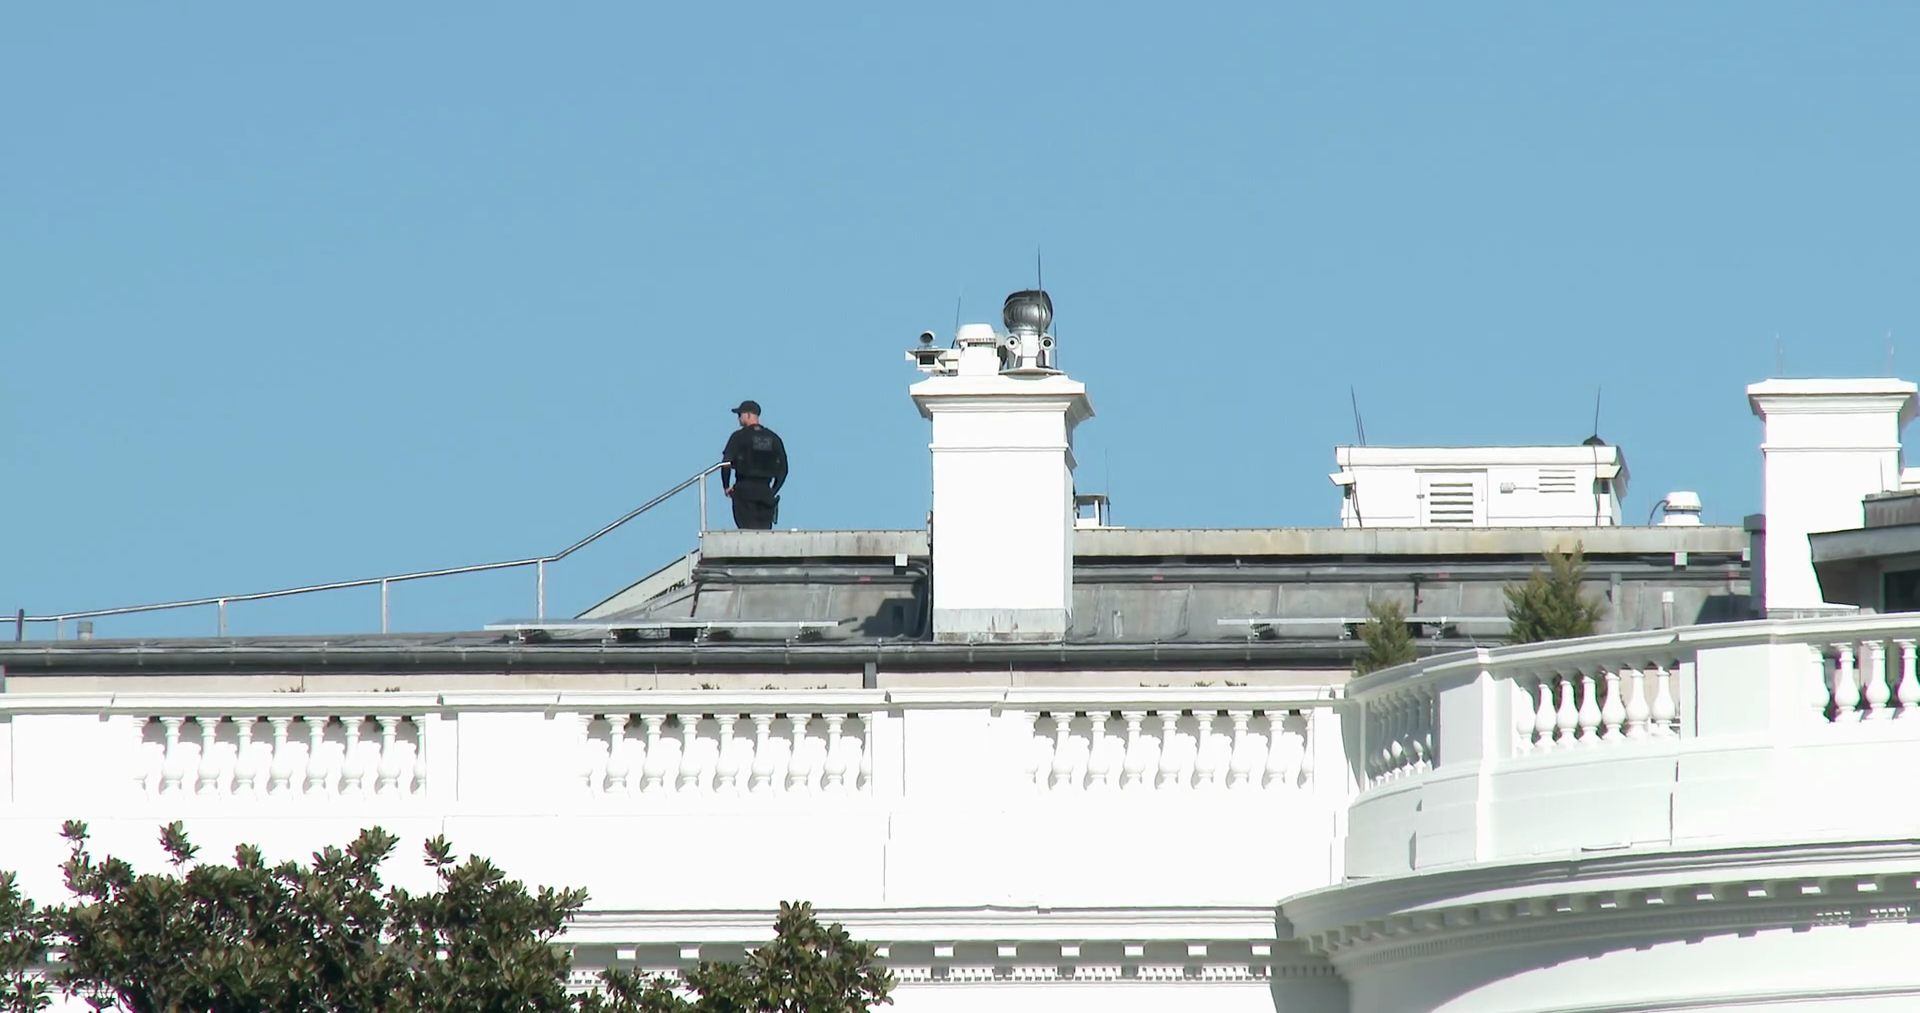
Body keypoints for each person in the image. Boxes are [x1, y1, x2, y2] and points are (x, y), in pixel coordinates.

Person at [720, 399, 788, 530]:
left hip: (744, 491)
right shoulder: (774, 438)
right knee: (764, 535)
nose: (738, 418)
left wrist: (726, 486)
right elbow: (784, 470)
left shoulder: (738, 437)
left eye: (740, 414)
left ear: (749, 415)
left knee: (746, 532)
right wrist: (773, 490)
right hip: (765, 492)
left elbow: (726, 463)